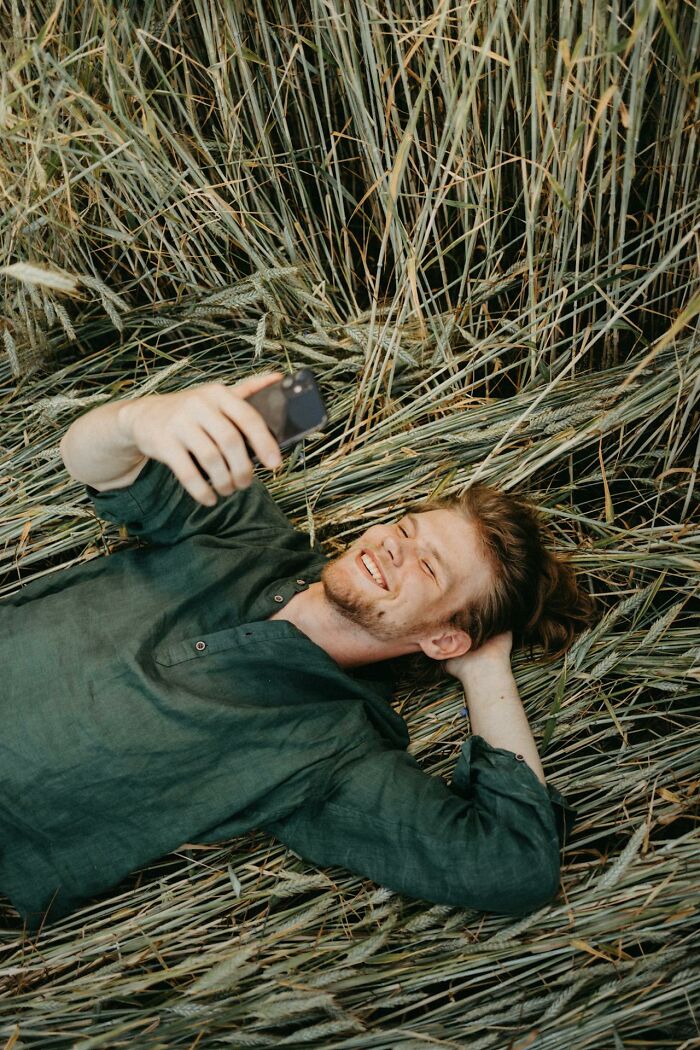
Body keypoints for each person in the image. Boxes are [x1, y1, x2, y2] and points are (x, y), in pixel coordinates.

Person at [0, 372, 596, 931]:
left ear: (442, 637)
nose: (393, 547)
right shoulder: (245, 533)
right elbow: (94, 465)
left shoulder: (335, 754)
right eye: (408, 529)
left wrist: (485, 667)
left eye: (429, 568)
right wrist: (138, 421)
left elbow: (515, 865)